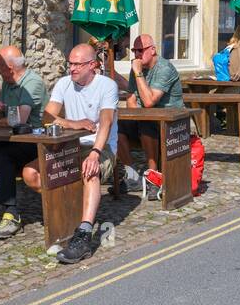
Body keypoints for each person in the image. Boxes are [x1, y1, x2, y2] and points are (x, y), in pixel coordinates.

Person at [47, 44, 120, 264]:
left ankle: (84, 235)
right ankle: (68, 214)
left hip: (101, 146)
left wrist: (96, 153)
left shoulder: (107, 85)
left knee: (89, 172)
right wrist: (73, 123)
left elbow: (105, 122)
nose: (71, 68)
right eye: (70, 63)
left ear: (92, 65)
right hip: (71, 145)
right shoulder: (63, 83)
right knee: (31, 173)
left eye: (77, 64)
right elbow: (46, 116)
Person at [0, 46, 49, 240]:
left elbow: (21, 119)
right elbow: (5, 114)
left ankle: (11, 214)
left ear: (10, 67)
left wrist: (4, 116)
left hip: (35, 140)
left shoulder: (32, 82)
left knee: (2, 156)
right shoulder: (7, 82)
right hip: (12, 138)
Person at [112, 34, 184, 197]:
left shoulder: (164, 68)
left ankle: (154, 176)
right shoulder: (136, 69)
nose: (137, 54)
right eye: (134, 50)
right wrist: (136, 73)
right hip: (149, 119)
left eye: (140, 50)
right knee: (116, 126)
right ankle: (132, 176)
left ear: (152, 50)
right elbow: (131, 101)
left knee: (147, 122)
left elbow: (150, 101)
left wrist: (138, 73)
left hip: (173, 122)